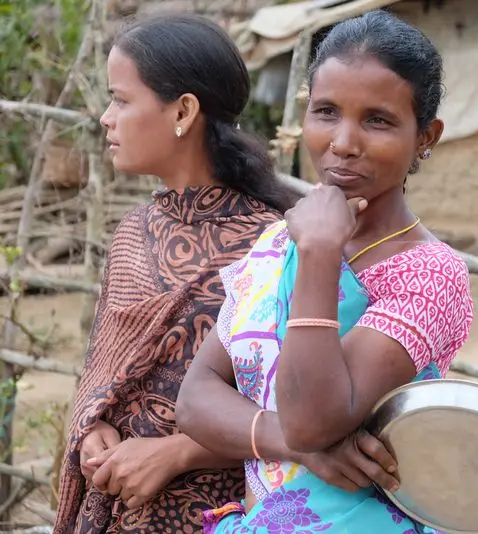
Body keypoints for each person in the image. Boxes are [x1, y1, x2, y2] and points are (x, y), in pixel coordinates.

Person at [175, 9, 474, 533]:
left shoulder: (429, 274)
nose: (343, 142)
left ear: (426, 136)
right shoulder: (275, 245)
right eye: (327, 112)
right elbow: (196, 400)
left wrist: (318, 252)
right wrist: (299, 447)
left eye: (377, 120)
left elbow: (315, 418)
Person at [54, 14, 297, 534]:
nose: (104, 117)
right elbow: (104, 373)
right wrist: (92, 426)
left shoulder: (276, 247)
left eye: (121, 99)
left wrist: (177, 453)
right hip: (114, 512)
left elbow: (297, 409)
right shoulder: (132, 235)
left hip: (220, 514)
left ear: (184, 110)